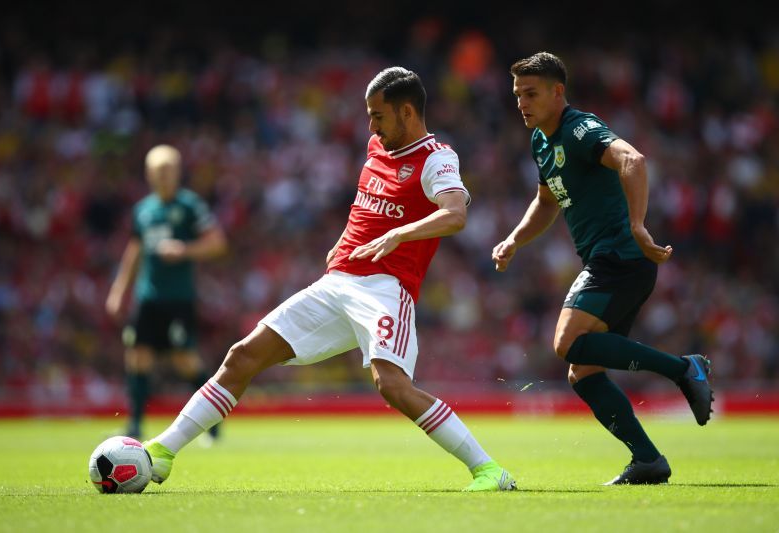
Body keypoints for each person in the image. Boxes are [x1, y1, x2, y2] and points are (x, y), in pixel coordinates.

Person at [143, 67, 516, 492]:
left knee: (391, 385)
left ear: (408, 112)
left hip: (385, 288)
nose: (371, 126)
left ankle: (489, 470)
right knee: (242, 355)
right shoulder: (377, 145)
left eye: (379, 116)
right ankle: (162, 451)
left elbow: (455, 215)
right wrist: (341, 240)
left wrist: (399, 234)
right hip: (338, 282)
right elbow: (367, 206)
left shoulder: (436, 158)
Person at [492, 52, 713, 485]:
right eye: (518, 94)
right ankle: (648, 460)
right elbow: (547, 200)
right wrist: (515, 238)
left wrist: (637, 225)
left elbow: (633, 160)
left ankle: (685, 368)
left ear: (559, 92)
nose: (522, 102)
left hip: (621, 257)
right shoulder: (540, 139)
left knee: (567, 343)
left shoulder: (578, 128)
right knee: (583, 372)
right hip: (606, 260)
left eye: (531, 93)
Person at [106, 144, 228, 440]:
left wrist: (184, 250)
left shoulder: (189, 206)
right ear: (149, 174)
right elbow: (134, 250)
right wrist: (119, 290)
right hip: (147, 298)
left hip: (178, 299)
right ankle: (134, 424)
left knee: (184, 360)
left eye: (170, 169)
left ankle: (212, 420)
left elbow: (217, 243)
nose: (165, 176)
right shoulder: (143, 210)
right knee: (137, 356)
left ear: (178, 172)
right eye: (159, 170)